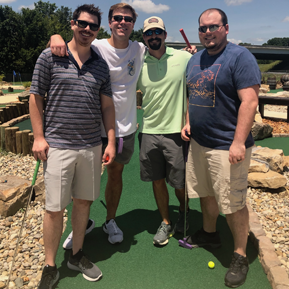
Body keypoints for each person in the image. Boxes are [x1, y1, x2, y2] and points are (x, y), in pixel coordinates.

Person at [30, 4, 115, 288]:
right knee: (54, 208)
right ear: (72, 23)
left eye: (92, 26)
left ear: (97, 30)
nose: (86, 29)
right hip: (58, 146)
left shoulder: (101, 65)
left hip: (91, 146)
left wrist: (111, 140)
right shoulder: (49, 56)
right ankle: (50, 265)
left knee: (83, 203)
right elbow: (36, 97)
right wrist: (39, 137)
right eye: (82, 23)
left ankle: (77, 255)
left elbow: (107, 106)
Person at [181, 8, 261, 288]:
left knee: (234, 203)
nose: (207, 32)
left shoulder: (240, 57)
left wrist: (238, 141)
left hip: (227, 146)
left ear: (226, 28)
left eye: (213, 27)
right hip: (200, 142)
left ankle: (240, 254)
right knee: (206, 192)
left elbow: (250, 102)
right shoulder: (195, 60)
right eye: (203, 28)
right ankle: (209, 232)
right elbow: (193, 94)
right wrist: (189, 122)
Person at [137, 16, 193, 246]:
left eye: (157, 32)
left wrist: (189, 120)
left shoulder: (185, 57)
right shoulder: (138, 63)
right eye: (149, 33)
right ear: (144, 37)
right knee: (157, 180)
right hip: (149, 131)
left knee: (179, 183)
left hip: (176, 132)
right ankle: (166, 221)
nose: (154, 36)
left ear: (165, 35)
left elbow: (198, 84)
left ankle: (184, 212)